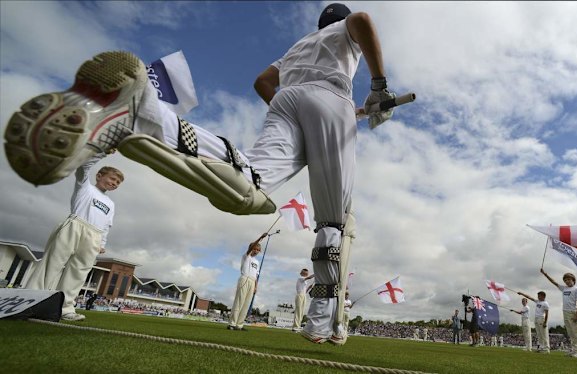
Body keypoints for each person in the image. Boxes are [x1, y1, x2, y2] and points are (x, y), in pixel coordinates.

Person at [5, 3, 399, 345]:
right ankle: (322, 322)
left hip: (288, 100)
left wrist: (303, 107)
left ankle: (145, 113)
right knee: (334, 219)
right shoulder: (344, 30)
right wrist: (378, 88)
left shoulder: (299, 47)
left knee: (249, 185)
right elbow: (363, 20)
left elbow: (262, 81)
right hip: (332, 99)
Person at [26, 154, 123, 321]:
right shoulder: (85, 187)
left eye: (118, 183)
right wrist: (101, 152)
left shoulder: (110, 203)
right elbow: (83, 167)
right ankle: (32, 303)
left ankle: (65, 308)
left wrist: (102, 242)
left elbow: (107, 225)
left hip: (95, 234)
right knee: (54, 262)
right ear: (99, 176)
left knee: (79, 271)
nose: (114, 183)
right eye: (112, 179)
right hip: (76, 224)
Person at [227, 233, 267, 331]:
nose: (256, 251)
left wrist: (256, 287)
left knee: (246, 304)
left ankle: (239, 324)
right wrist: (261, 238)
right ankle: (232, 323)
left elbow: (256, 275)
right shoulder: (246, 256)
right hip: (245, 278)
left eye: (258, 250)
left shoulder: (257, 262)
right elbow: (251, 248)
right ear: (251, 248)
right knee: (239, 302)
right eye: (255, 249)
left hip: (252, 281)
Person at [541, 269, 577, 358]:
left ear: (573, 280)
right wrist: (545, 274)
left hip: (572, 312)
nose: (567, 281)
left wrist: (576, 314)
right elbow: (554, 282)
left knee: (576, 332)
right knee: (570, 332)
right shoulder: (564, 288)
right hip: (565, 312)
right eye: (565, 280)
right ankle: (574, 350)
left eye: (568, 279)